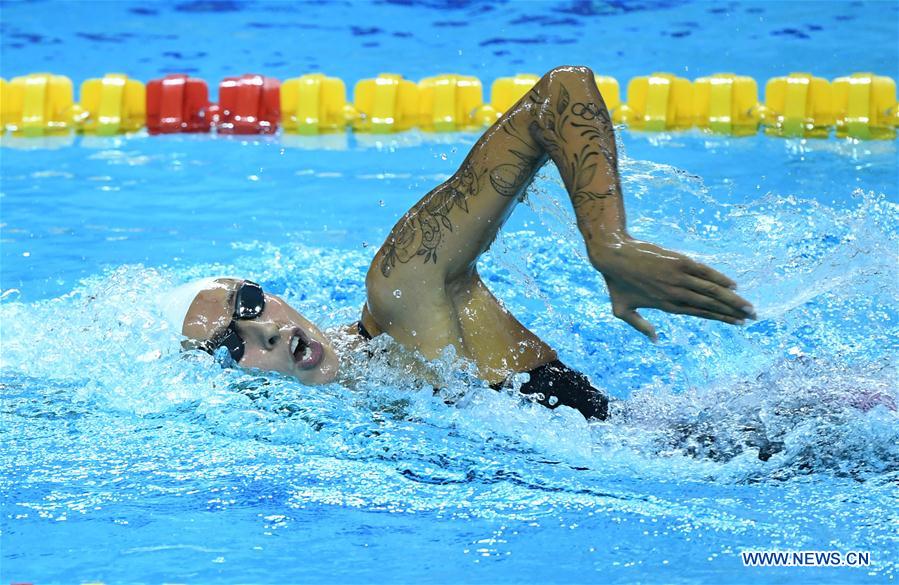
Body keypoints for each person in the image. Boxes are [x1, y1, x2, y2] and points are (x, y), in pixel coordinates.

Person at [165, 66, 756, 421]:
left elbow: (561, 91)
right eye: (229, 346)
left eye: (249, 307)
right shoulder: (350, 418)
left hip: (735, 446)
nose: (264, 331)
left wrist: (608, 241)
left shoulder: (402, 292)